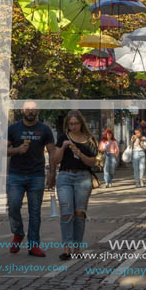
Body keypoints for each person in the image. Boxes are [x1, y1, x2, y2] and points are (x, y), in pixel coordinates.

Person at [6, 101, 56, 257]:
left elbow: (52, 152)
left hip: (36, 175)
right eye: (27, 108)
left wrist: (53, 173)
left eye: (33, 109)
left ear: (38, 110)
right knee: (13, 206)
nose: (30, 111)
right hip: (16, 174)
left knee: (35, 212)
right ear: (22, 110)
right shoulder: (13, 129)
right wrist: (17, 149)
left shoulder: (44, 129)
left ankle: (34, 245)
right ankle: (18, 233)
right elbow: (2, 150)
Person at [52, 111, 97, 260]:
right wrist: (63, 147)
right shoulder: (63, 138)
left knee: (79, 213)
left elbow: (92, 162)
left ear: (81, 123)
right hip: (65, 177)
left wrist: (80, 153)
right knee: (66, 212)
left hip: (83, 178)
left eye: (76, 123)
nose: (73, 126)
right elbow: (56, 160)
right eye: (70, 124)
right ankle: (66, 248)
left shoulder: (89, 140)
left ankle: (77, 247)